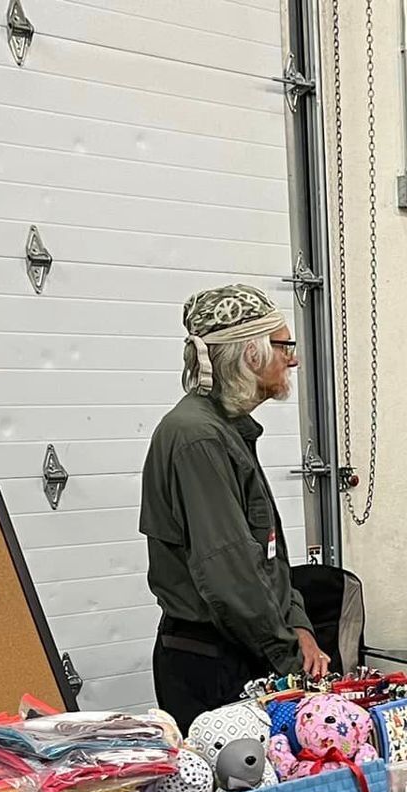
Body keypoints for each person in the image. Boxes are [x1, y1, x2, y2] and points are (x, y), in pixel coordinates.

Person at [140, 283, 330, 733]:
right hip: (214, 662)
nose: (294, 358)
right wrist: (287, 657)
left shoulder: (225, 429)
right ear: (251, 354)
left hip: (240, 649)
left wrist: (298, 624)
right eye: (285, 345)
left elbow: (265, 556)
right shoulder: (198, 437)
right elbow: (227, 572)